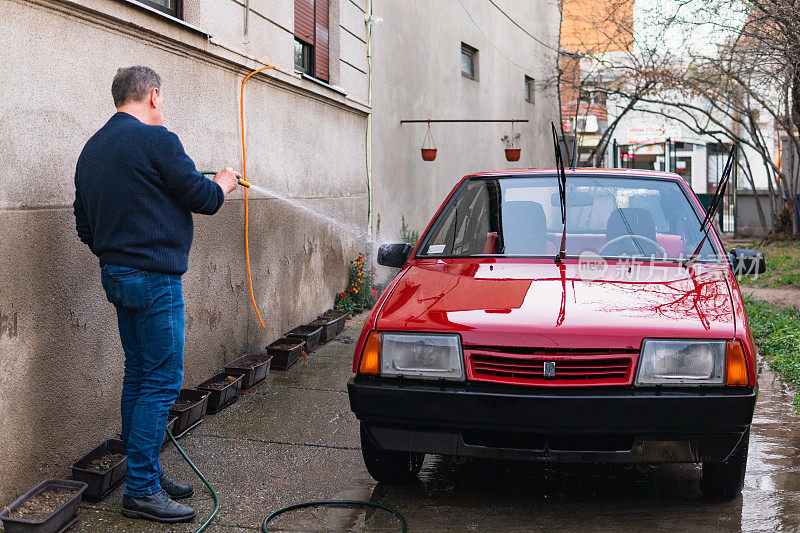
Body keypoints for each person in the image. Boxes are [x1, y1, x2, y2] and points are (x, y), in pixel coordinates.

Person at [73, 66, 240, 523]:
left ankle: (142, 469)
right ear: (152, 95)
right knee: (163, 379)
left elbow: (84, 224)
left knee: (139, 374)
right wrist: (222, 183)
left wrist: (118, 254)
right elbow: (202, 198)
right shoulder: (158, 139)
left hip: (117, 275)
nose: (163, 108)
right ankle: (142, 490)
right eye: (162, 101)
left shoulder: (92, 149)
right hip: (154, 279)